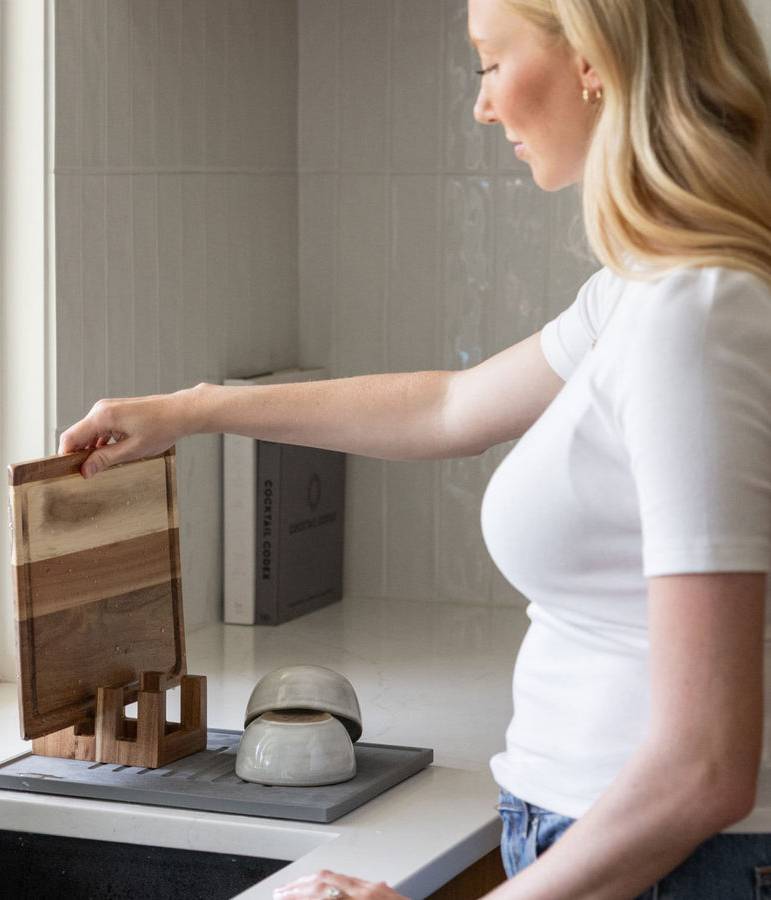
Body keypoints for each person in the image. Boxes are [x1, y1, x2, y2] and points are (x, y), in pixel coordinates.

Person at [58, 0, 771, 896]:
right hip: (600, 841)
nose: (481, 106)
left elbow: (706, 766)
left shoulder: (695, 316)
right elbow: (449, 408)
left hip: (664, 865)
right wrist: (192, 410)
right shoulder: (641, 294)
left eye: (488, 63)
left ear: (593, 58)